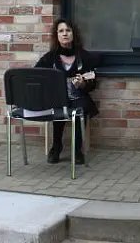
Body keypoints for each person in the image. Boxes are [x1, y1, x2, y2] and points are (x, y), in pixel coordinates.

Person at [35, 18, 99, 165]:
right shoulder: (50, 58)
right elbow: (37, 77)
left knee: (80, 108)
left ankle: (77, 150)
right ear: (56, 35)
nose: (65, 34)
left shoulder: (84, 57)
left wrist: (83, 84)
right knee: (58, 108)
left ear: (73, 34)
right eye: (61, 31)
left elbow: (93, 84)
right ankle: (56, 147)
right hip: (57, 98)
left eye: (68, 30)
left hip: (77, 97)